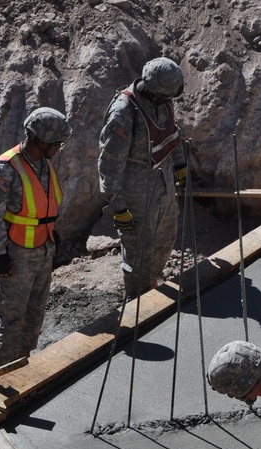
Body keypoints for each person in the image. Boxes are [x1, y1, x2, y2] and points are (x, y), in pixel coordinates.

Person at [0, 107, 72, 369]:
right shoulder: (5, 169)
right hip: (16, 256)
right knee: (10, 321)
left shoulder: (45, 163)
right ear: (40, 140)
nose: (58, 148)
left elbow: (44, 203)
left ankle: (22, 368)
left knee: (33, 318)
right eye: (56, 144)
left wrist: (53, 234)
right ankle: (1, 376)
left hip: (43, 250)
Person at [98, 56, 188, 299]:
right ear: (153, 90)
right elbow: (109, 162)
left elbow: (172, 133)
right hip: (136, 190)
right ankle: (137, 299)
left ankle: (153, 284)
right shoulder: (124, 112)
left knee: (165, 237)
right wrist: (117, 205)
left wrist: (180, 165)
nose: (169, 101)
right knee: (139, 250)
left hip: (164, 181)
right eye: (166, 97)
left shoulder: (163, 101)